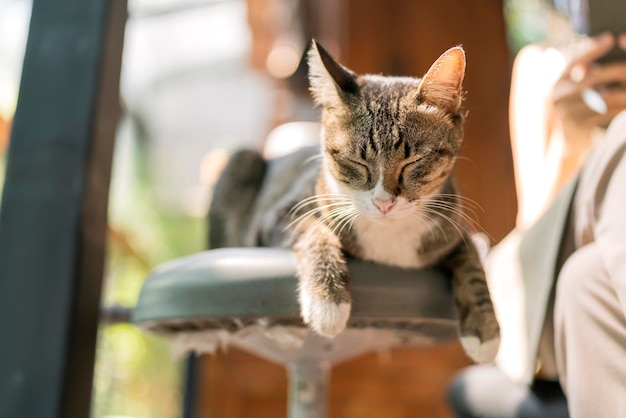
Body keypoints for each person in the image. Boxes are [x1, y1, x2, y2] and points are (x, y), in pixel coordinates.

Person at [447, 21, 626, 418]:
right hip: (548, 306)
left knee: (586, 278)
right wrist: (570, 139)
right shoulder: (545, 68)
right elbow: (535, 249)